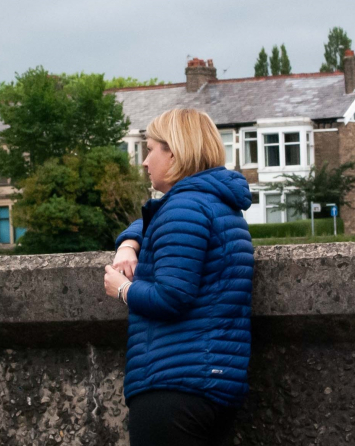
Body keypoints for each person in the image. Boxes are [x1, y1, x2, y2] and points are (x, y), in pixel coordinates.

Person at [103, 108, 254, 446]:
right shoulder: (218, 205)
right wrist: (129, 242)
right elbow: (158, 220)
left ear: (173, 151)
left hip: (173, 386)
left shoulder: (184, 208)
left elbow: (172, 296)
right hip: (215, 383)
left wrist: (124, 289)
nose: (145, 161)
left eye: (150, 148)